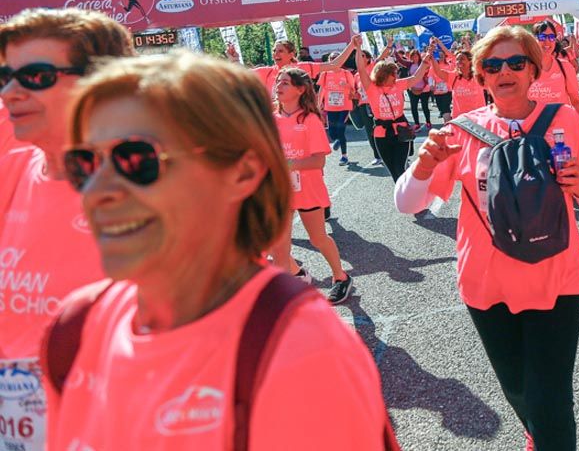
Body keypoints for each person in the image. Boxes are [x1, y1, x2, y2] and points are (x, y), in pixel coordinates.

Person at [49, 52, 393, 449]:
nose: (97, 192)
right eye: (84, 163)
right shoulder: (74, 327)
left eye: (137, 160)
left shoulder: (295, 347)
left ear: (241, 173)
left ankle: (338, 275)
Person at [394, 26, 579, 451]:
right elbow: (405, 203)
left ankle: (545, 434)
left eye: (515, 62)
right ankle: (537, 430)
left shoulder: (562, 118)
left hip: (556, 279)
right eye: (492, 65)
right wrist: (421, 166)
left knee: (550, 396)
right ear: (481, 76)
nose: (504, 71)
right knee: (515, 385)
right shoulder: (460, 130)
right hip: (486, 282)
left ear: (533, 70)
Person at [0, 8, 134, 451]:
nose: (10, 92)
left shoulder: (145, 182)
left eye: (35, 76)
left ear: (99, 82)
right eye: (5, 76)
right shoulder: (15, 167)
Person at [271, 68, 352, 303]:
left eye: (285, 82)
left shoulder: (310, 119)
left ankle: (340, 276)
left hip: (307, 187)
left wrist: (287, 164)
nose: (279, 85)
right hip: (280, 190)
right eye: (278, 81)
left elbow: (319, 160)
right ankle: (289, 289)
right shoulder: (271, 118)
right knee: (279, 248)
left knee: (317, 239)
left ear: (300, 89)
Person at [355, 42, 430, 181]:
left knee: (400, 167)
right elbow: (360, 68)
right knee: (394, 171)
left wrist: (426, 60)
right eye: (393, 74)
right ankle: (404, 196)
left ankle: (408, 197)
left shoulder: (398, 84)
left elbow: (416, 78)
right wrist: (358, 48)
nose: (396, 77)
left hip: (401, 131)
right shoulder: (371, 88)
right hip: (382, 134)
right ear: (384, 75)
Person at [228, 38, 358, 93]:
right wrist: (234, 60)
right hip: (275, 122)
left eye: (280, 51)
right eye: (274, 50)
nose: (275, 54)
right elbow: (242, 74)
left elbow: (334, 65)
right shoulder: (266, 72)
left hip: (299, 121)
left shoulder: (302, 68)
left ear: (291, 54)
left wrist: (352, 45)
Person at [529, 20, 579, 120]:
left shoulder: (565, 66)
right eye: (542, 37)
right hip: (533, 130)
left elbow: (576, 101)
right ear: (533, 40)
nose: (547, 41)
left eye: (551, 37)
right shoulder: (524, 69)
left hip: (561, 130)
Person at [318, 52, 357, 165]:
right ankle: (338, 141)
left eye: (336, 58)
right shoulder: (325, 74)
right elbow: (322, 89)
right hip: (330, 106)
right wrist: (318, 104)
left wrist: (347, 86)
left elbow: (353, 91)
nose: (334, 60)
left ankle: (344, 156)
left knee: (340, 130)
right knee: (331, 132)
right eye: (331, 58)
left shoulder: (346, 73)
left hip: (344, 106)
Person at [349, 49, 384, 167]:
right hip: (364, 105)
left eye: (362, 55)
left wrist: (389, 46)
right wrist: (352, 95)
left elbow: (381, 57)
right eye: (358, 56)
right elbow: (356, 93)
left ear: (368, 58)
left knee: (381, 128)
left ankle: (386, 152)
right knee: (370, 131)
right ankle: (377, 156)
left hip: (376, 103)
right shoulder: (356, 75)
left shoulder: (373, 67)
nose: (359, 57)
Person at [429, 49, 487, 118]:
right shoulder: (453, 77)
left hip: (479, 118)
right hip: (460, 120)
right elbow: (438, 71)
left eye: (462, 59)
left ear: (470, 61)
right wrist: (432, 57)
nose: (459, 61)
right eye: (457, 59)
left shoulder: (479, 75)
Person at [406, 49, 435, 131]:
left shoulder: (423, 64)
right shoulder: (410, 65)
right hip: (413, 89)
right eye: (413, 56)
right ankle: (417, 124)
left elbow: (428, 75)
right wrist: (392, 49)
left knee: (425, 106)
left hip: (424, 89)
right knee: (413, 107)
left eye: (416, 56)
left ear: (419, 56)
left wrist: (427, 85)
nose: (415, 58)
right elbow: (400, 61)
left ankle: (428, 122)